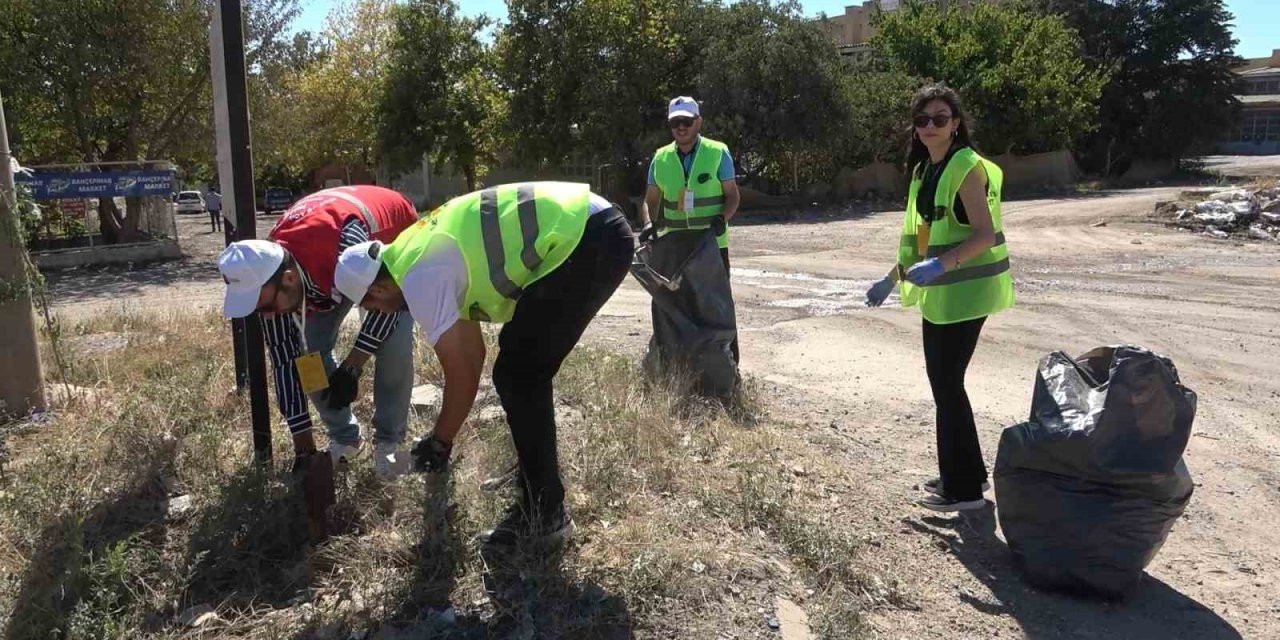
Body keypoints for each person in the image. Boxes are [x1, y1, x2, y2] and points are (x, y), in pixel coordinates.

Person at [333, 181, 633, 546]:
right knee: (519, 363)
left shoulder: (419, 276)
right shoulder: (413, 250)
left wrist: (439, 442)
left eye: (369, 306)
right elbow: (472, 358)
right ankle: (533, 472)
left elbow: (461, 374)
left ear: (377, 291)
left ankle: (545, 513)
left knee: (520, 373)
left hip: (587, 237)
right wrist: (442, 438)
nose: (375, 313)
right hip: (587, 224)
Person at [864, 84, 1015, 512]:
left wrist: (942, 267)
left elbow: (984, 236)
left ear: (957, 125)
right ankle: (961, 474)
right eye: (922, 119)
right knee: (946, 385)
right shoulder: (924, 172)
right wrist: (892, 278)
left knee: (947, 385)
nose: (930, 126)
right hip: (944, 297)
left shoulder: (965, 166)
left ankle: (964, 491)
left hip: (967, 292)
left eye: (940, 118)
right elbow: (919, 240)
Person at [217, 185, 421, 480]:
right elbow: (285, 362)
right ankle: (347, 440)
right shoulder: (269, 284)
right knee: (306, 354)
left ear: (288, 279)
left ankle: (388, 442)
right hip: (318, 275)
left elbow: (383, 312)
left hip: (388, 240)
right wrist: (304, 448)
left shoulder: (342, 248)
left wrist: (353, 366)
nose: (268, 316)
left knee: (394, 344)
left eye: (268, 307)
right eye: (260, 311)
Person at [641, 96, 741, 362]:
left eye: (686, 121)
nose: (681, 127)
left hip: (710, 247)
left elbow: (732, 196)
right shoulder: (660, 158)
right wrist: (649, 223)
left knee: (716, 309)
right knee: (674, 308)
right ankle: (677, 366)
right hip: (674, 246)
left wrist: (722, 217)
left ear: (699, 122)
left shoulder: (718, 152)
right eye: (676, 123)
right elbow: (650, 200)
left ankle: (727, 369)